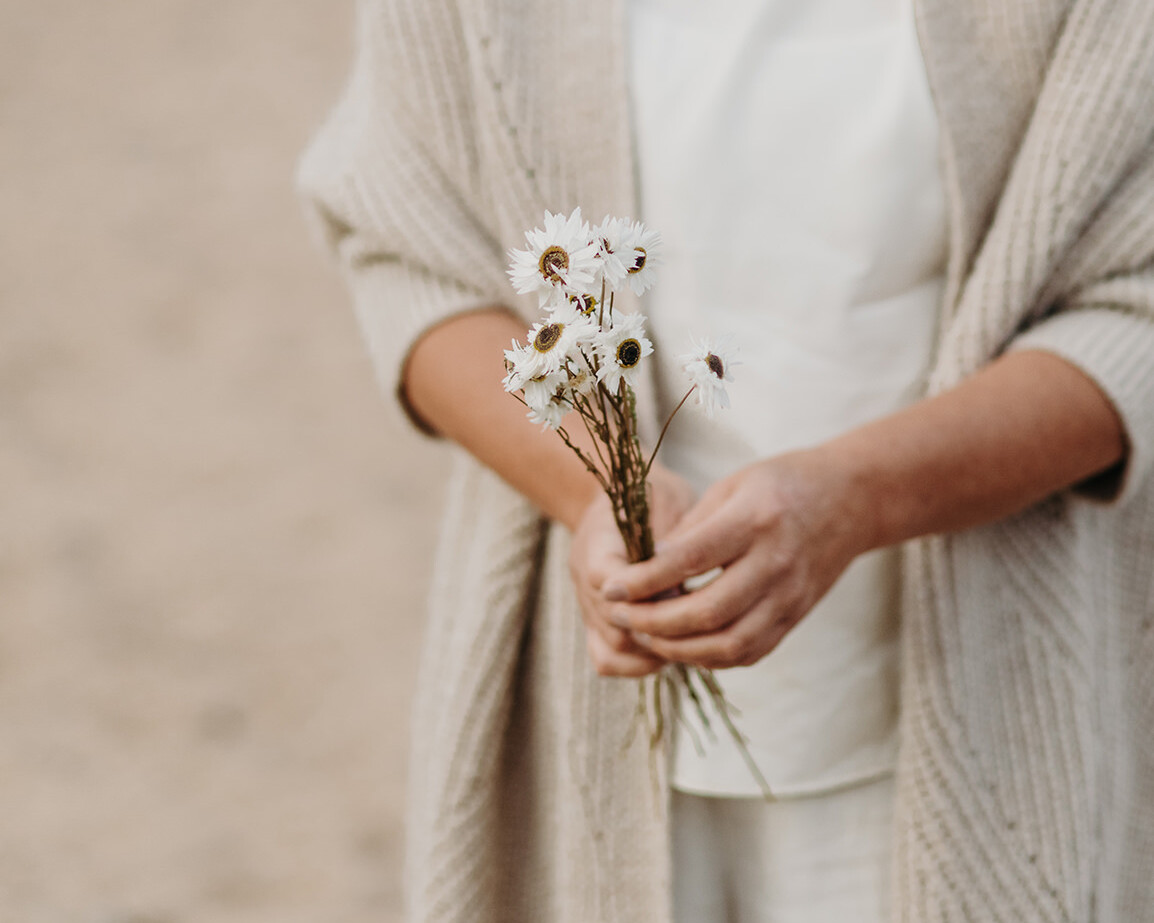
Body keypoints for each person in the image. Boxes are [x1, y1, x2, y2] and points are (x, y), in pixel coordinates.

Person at [297, 0, 1154, 920]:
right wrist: (597, 497)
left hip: (987, 715)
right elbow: (406, 253)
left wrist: (858, 498)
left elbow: (1133, 302)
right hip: (590, 705)